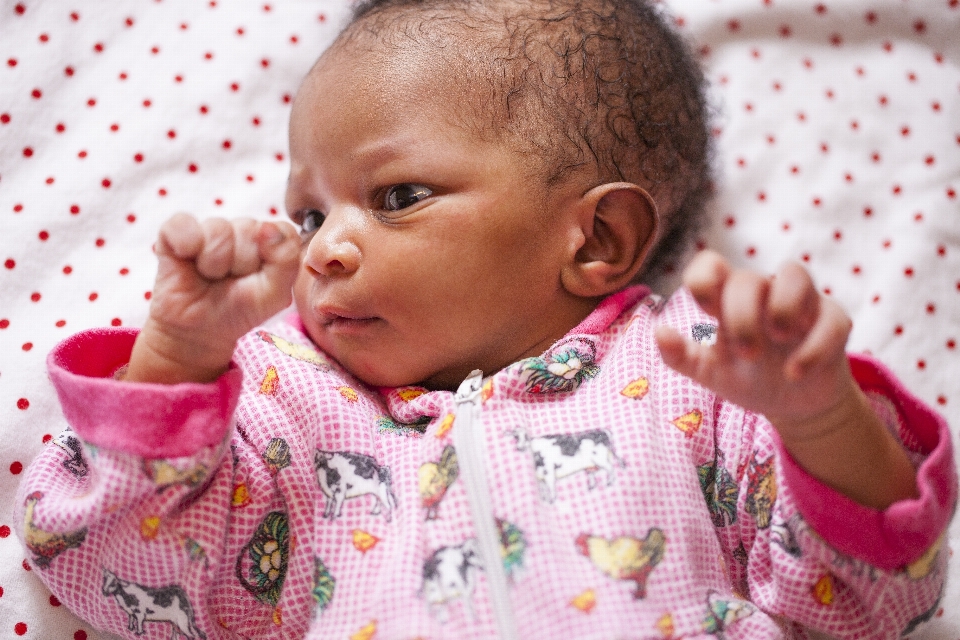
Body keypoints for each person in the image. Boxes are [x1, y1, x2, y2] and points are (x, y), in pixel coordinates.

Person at [16, 0, 956, 638]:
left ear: (597, 238)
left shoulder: (701, 378)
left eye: (397, 195)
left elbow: (869, 608)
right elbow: (107, 566)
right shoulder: (278, 404)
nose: (322, 249)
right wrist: (177, 361)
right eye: (310, 214)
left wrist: (820, 418)